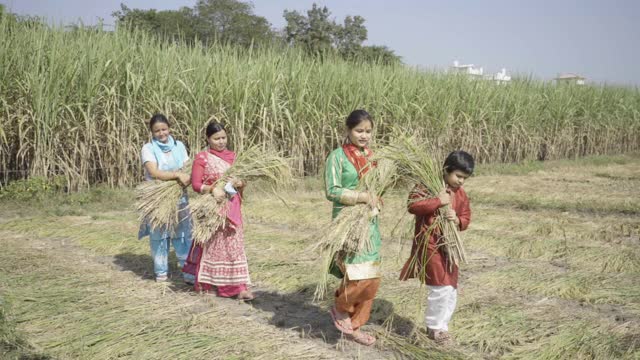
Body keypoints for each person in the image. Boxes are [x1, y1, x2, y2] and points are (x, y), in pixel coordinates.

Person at [399, 150, 474, 345]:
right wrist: (438, 201)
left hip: (450, 246)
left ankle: (443, 326)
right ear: (446, 170)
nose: (461, 181)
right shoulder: (427, 186)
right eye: (458, 176)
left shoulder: (460, 193)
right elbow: (413, 205)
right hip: (430, 242)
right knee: (440, 285)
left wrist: (457, 219)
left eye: (465, 178)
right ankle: (434, 328)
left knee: (451, 287)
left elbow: (466, 216)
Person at [324, 109, 381, 346]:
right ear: (348, 131)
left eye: (368, 131)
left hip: (370, 222)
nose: (364, 135)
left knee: (373, 278)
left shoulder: (374, 156)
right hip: (347, 222)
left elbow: (380, 186)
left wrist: (375, 198)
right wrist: (361, 197)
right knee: (357, 275)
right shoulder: (337, 157)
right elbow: (332, 190)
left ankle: (356, 326)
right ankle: (341, 308)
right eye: (359, 130)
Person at [183, 122, 254, 301]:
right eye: (216, 139)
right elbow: (196, 184)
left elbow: (242, 180)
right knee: (213, 247)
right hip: (213, 208)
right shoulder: (203, 158)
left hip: (232, 206)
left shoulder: (234, 157)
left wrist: (240, 183)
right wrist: (213, 189)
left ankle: (239, 287)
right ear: (208, 139)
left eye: (223, 137)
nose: (221, 142)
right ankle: (210, 285)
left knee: (234, 246)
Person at [138, 113, 195, 284]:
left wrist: (186, 177)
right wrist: (177, 175)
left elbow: (187, 167)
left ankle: (188, 271)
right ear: (152, 132)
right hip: (159, 197)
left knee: (183, 234)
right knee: (160, 235)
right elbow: (154, 172)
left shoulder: (179, 146)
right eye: (157, 131)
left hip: (179, 196)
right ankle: (161, 272)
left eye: (164, 129)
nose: (162, 133)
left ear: (169, 128)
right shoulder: (148, 148)